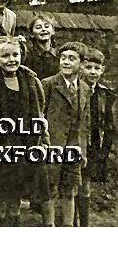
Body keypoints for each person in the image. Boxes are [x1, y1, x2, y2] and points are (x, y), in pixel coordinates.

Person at [0, 36, 51, 227]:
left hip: (26, 144)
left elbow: (40, 111)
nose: (11, 59)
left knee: (16, 195)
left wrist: (43, 139)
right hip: (1, 144)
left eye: (15, 54)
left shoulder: (30, 80)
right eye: (5, 55)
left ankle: (14, 225)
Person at [41, 41, 91, 227]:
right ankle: (50, 226)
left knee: (69, 189)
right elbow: (40, 117)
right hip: (52, 146)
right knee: (50, 189)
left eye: (72, 58)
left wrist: (82, 151)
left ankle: (68, 227)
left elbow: (84, 124)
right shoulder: (48, 84)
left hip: (73, 148)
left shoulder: (84, 89)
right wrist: (43, 145)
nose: (66, 62)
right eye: (63, 58)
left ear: (82, 64)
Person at [74, 46, 117, 226]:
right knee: (72, 184)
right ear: (81, 67)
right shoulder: (76, 89)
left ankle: (84, 224)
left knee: (86, 185)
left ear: (102, 70)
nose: (92, 72)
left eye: (96, 68)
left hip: (94, 145)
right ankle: (70, 221)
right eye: (88, 67)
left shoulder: (106, 95)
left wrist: (104, 150)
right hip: (76, 142)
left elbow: (109, 125)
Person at [24, 13, 59, 80]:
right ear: (32, 34)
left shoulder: (59, 55)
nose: (43, 29)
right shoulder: (28, 56)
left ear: (53, 31)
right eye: (38, 27)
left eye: (46, 26)